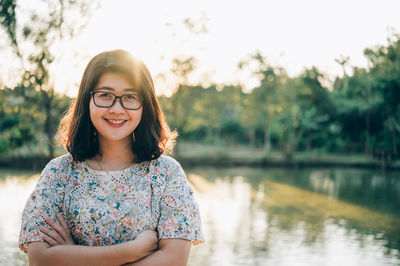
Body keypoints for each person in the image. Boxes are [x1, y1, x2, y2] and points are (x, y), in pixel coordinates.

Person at [18, 49, 204, 265]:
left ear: (145, 104)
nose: (117, 108)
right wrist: (132, 250)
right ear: (87, 100)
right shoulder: (58, 174)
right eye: (105, 95)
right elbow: (40, 260)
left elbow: (174, 261)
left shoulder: (166, 174)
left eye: (130, 97)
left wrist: (73, 256)